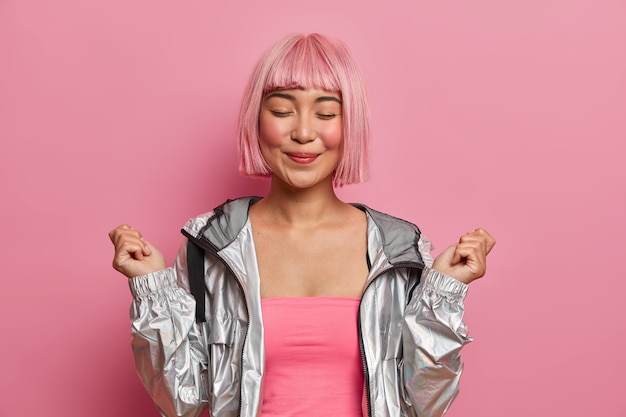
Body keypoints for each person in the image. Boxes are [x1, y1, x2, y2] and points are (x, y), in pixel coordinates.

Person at [109, 33, 495, 417]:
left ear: (350, 124)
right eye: (281, 110)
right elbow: (183, 403)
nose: (304, 132)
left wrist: (445, 292)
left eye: (326, 113)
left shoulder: (398, 250)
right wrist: (152, 288)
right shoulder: (210, 246)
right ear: (256, 120)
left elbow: (425, 403)